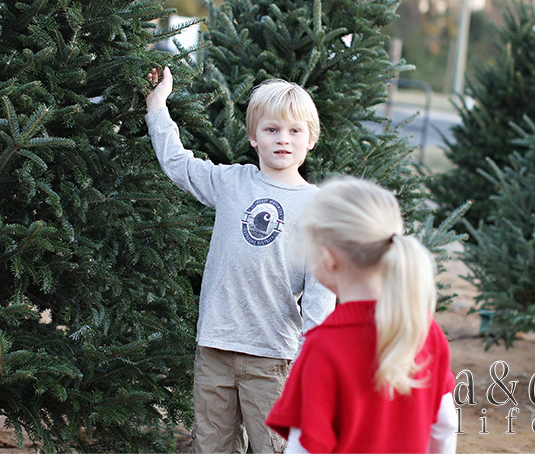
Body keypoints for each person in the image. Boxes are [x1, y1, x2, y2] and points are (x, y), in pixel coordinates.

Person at [145, 67, 336, 453]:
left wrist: (311, 355)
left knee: (276, 450)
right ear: (253, 136)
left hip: (274, 357)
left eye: (294, 131)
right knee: (211, 448)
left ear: (311, 138)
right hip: (215, 348)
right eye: (272, 130)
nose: (283, 139)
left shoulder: (319, 207)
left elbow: (322, 290)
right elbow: (178, 164)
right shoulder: (232, 182)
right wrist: (156, 105)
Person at [266, 176, 458, 454]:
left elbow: (305, 449)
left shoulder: (322, 348)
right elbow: (445, 426)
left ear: (328, 258)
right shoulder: (425, 330)